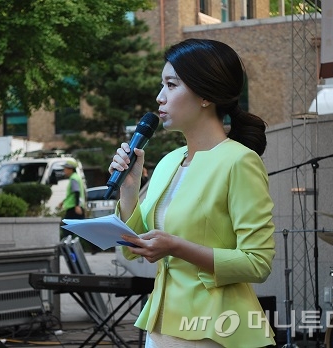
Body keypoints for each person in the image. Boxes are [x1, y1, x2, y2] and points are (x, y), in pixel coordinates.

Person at [109, 38, 276, 348]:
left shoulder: (239, 161)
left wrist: (176, 246)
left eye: (171, 85)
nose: (159, 97)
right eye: (162, 85)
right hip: (159, 326)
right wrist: (129, 190)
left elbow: (258, 263)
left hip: (212, 329)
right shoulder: (169, 162)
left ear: (204, 96)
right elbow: (134, 249)